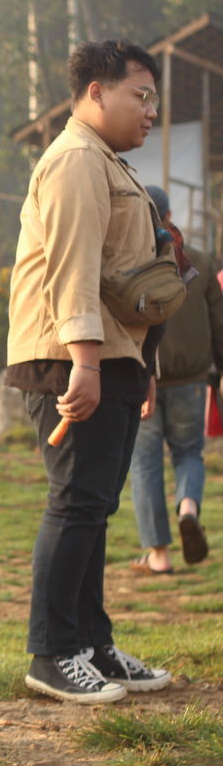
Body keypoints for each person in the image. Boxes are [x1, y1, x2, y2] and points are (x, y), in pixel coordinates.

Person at [6, 39, 174, 705]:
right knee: (76, 502)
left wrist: (138, 362)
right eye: (143, 94)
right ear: (97, 91)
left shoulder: (108, 161)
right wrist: (85, 358)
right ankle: (50, 653)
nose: (152, 110)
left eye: (155, 98)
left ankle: (91, 643)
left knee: (96, 508)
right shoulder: (76, 159)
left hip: (111, 354)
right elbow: (70, 267)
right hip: (69, 357)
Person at [128, 184, 216, 574]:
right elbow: (220, 323)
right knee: (188, 453)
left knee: (145, 463)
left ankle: (159, 556)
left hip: (143, 376)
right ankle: (188, 508)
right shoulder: (199, 262)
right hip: (192, 379)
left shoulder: (130, 262)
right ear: (169, 216)